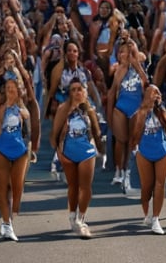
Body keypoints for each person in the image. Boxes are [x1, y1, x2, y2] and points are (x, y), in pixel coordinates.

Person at [52, 80, 103, 239]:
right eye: (73, 90)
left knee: (85, 186)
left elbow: (96, 132)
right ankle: (72, 215)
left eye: (80, 89)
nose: (77, 92)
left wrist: (101, 150)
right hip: (68, 151)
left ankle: (81, 218)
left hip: (86, 150)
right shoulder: (63, 109)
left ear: (85, 92)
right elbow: (54, 135)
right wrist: (59, 154)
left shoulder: (90, 110)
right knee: (73, 186)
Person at [0, 70, 31, 242]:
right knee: (1, 186)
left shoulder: (21, 109)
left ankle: (9, 217)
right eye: (8, 88)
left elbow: (27, 117)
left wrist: (19, 106)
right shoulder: (0, 110)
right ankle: (6, 223)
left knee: (16, 186)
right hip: (1, 149)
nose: (11, 90)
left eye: (13, 87)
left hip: (19, 150)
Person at [132, 83, 166, 235]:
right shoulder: (140, 112)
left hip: (162, 150)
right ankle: (147, 214)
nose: (155, 95)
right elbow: (135, 132)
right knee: (146, 187)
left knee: (160, 184)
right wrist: (146, 109)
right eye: (152, 93)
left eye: (157, 92)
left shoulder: (162, 111)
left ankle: (156, 219)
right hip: (144, 150)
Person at [107, 36, 148, 196]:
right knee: (120, 141)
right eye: (123, 52)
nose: (126, 54)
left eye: (129, 51)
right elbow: (111, 94)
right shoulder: (119, 69)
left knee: (132, 142)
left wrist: (136, 61)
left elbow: (146, 83)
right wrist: (109, 116)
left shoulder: (141, 65)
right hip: (121, 107)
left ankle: (129, 171)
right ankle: (119, 170)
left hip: (136, 107)